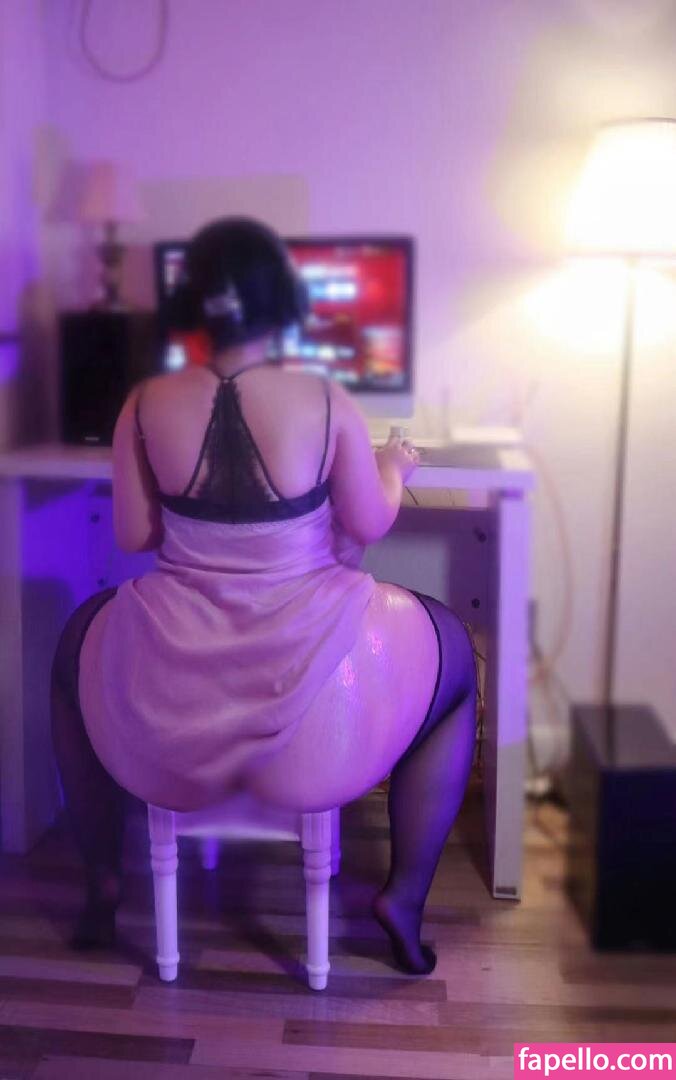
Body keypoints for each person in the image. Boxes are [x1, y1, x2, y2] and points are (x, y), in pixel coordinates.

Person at [51, 217, 477, 976]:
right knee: (457, 664)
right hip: (314, 721)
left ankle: (103, 882)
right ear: (281, 298)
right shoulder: (325, 399)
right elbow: (369, 521)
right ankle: (404, 899)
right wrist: (394, 466)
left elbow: (133, 533)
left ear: (193, 301)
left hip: (174, 716)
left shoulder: (143, 401)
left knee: (71, 651)